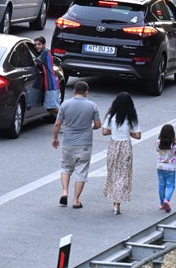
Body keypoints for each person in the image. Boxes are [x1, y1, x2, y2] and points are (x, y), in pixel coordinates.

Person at [52, 81, 101, 209]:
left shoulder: (65, 104)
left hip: (68, 142)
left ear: (74, 91)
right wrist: (90, 127)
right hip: (85, 143)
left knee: (66, 167)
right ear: (86, 92)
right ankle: (75, 200)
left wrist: (55, 138)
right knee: (81, 171)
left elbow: (58, 123)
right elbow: (98, 125)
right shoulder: (92, 106)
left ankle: (64, 192)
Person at [101, 92, 141, 215]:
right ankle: (117, 203)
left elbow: (104, 132)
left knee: (113, 172)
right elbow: (138, 136)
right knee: (123, 174)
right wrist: (128, 132)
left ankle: (114, 202)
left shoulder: (111, 116)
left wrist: (114, 131)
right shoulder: (131, 117)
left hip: (113, 145)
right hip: (125, 146)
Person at [155, 124, 176, 213]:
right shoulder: (175, 144)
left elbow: (157, 151)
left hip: (160, 166)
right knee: (171, 185)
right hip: (170, 167)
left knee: (162, 185)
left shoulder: (158, 142)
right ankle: (167, 199)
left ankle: (162, 203)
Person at [34, 36, 61, 120]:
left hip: (51, 84)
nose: (37, 46)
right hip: (49, 83)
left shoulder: (44, 52)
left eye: (39, 44)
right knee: (49, 108)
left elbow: (35, 63)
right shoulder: (46, 52)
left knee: (53, 107)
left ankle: (67, 121)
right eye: (35, 45)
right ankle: (62, 123)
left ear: (44, 45)